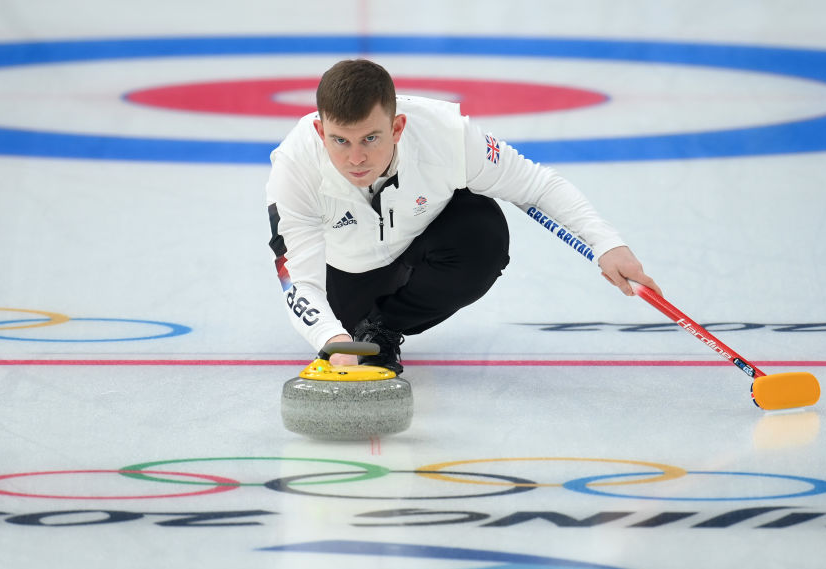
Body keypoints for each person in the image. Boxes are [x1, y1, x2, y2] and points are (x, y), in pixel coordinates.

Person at [266, 59, 659, 374]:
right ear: (320, 131)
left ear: (398, 126)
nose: (355, 158)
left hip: (421, 243)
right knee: (346, 326)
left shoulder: (447, 136)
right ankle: (361, 326)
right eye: (340, 141)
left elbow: (537, 185)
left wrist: (607, 243)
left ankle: (384, 327)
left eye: (371, 138)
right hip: (349, 275)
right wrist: (331, 337)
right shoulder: (294, 166)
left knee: (482, 231)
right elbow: (296, 277)